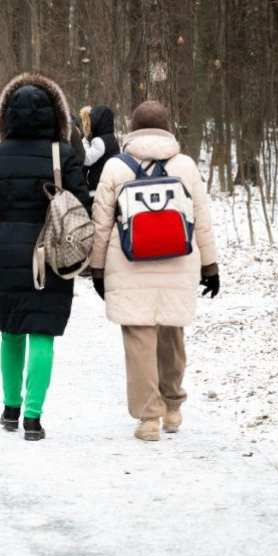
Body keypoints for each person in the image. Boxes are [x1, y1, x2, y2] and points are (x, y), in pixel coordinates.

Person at [0, 73, 90, 441]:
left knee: (10, 331)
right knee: (42, 332)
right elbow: (82, 207)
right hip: (51, 253)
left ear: (6, 116)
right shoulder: (63, 155)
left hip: (6, 250)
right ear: (56, 116)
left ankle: (10, 408)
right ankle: (34, 418)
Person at [89, 100, 219, 442]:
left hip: (129, 264)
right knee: (172, 335)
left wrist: (98, 270)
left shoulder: (116, 167)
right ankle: (173, 408)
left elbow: (101, 224)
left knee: (139, 340)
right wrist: (210, 265)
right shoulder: (185, 166)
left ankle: (149, 420)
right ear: (167, 127)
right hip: (178, 262)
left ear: (132, 128)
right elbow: (201, 219)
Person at [80, 105, 120, 195]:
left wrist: (85, 140)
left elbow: (87, 159)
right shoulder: (110, 138)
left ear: (99, 122)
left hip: (98, 186)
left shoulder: (100, 141)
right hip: (108, 182)